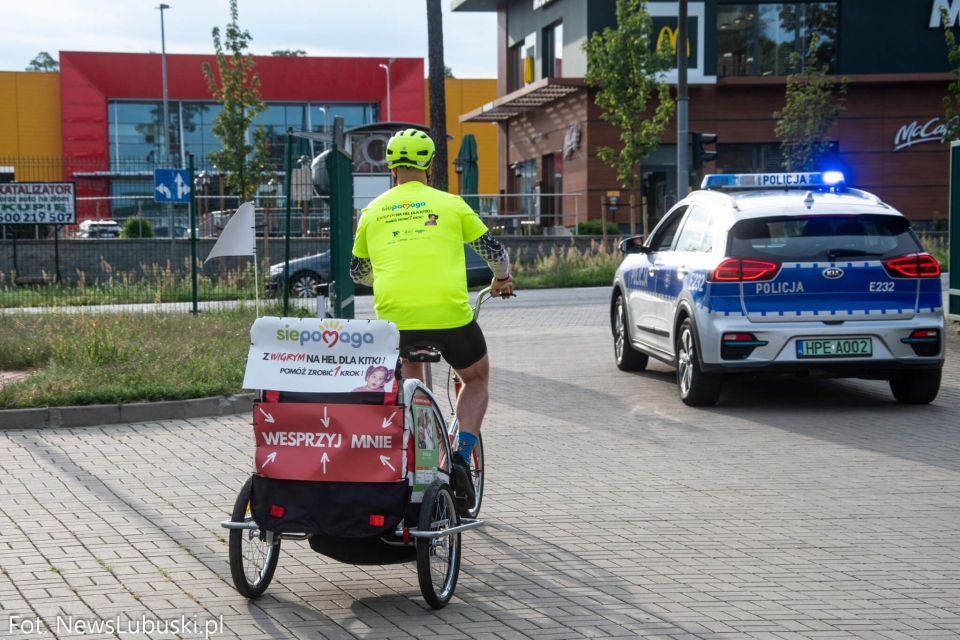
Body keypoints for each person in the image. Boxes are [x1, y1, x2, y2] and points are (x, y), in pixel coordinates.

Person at [350, 128, 513, 512]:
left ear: (391, 167)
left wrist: (392, 274)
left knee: (411, 373)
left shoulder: (372, 211)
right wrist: (501, 279)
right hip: (449, 317)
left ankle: (420, 456)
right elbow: (495, 251)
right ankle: (461, 454)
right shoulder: (451, 204)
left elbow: (358, 273)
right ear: (429, 165)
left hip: (395, 320)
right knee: (475, 378)